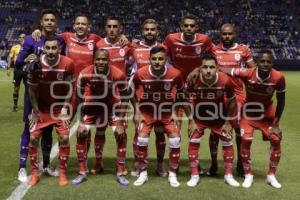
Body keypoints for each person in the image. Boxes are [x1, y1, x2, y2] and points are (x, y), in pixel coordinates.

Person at [221, 50, 286, 188]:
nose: (265, 64)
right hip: (248, 113)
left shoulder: (278, 77)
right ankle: (248, 174)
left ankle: (271, 175)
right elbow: (228, 70)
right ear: (256, 63)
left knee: (275, 139)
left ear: (272, 63)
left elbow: (281, 101)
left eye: (268, 61)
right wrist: (205, 68)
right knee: (246, 139)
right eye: (262, 61)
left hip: (267, 114)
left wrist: (275, 123)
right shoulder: (248, 73)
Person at [15, 9, 65, 183]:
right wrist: (30, 60)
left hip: (52, 94)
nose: (50, 22)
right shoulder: (31, 39)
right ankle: (22, 167)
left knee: (49, 129)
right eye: (47, 20)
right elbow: (19, 62)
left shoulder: (60, 41)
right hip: (34, 93)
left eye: (52, 20)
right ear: (41, 23)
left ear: (56, 23)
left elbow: (62, 60)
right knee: (30, 128)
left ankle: (46, 165)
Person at [72, 49, 129, 186]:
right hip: (93, 105)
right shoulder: (85, 73)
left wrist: (120, 122)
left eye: (104, 59)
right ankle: (83, 172)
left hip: (112, 106)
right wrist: (80, 121)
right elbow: (79, 97)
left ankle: (120, 172)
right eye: (98, 59)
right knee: (81, 134)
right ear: (94, 60)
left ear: (109, 61)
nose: (101, 62)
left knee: (120, 135)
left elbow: (125, 97)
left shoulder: (118, 74)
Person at [207, 23, 256, 176]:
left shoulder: (243, 50)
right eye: (224, 34)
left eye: (229, 34)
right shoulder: (214, 50)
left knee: (238, 131)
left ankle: (241, 165)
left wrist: (234, 71)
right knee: (215, 131)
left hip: (237, 95)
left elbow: (252, 71)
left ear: (234, 34)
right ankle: (214, 165)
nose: (226, 36)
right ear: (219, 34)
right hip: (217, 95)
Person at [184, 54, 240, 187]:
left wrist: (227, 122)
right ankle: (194, 175)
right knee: (193, 139)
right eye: (205, 67)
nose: (208, 70)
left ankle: (228, 175)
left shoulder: (225, 80)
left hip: (219, 118)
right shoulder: (194, 80)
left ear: (217, 69)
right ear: (200, 68)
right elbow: (185, 100)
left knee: (228, 140)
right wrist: (191, 121)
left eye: (211, 67)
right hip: (200, 117)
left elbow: (232, 101)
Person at [131, 46, 183, 187]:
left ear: (165, 59)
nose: (157, 61)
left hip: (166, 112)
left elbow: (181, 92)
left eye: (160, 58)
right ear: (149, 60)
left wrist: (175, 111)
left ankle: (172, 174)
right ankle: (143, 173)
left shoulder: (175, 74)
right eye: (154, 59)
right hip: (147, 112)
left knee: (175, 140)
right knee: (141, 138)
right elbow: (131, 92)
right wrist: (136, 111)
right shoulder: (141, 73)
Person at [27, 37, 74, 186]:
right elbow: (32, 90)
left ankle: (63, 174)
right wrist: (35, 111)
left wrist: (66, 108)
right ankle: (35, 174)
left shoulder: (68, 63)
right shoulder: (36, 64)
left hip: (60, 109)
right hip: (41, 109)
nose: (51, 51)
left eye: (54, 48)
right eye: (48, 48)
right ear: (44, 49)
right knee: (33, 139)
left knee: (65, 138)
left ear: (59, 49)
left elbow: (70, 88)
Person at [94, 17, 132, 175]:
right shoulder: (98, 45)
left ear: (120, 28)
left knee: (120, 131)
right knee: (100, 129)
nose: (112, 29)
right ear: (105, 28)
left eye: (115, 26)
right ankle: (98, 163)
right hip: (101, 95)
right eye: (109, 26)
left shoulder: (126, 45)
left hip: (119, 96)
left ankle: (121, 165)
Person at [130, 19, 167, 177]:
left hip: (160, 101)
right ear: (142, 30)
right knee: (139, 133)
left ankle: (159, 165)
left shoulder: (165, 48)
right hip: (141, 100)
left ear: (157, 31)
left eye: (153, 29)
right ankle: (138, 164)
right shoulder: (134, 48)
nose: (149, 32)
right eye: (147, 29)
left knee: (160, 132)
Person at [6, 32, 26, 112]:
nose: (22, 39)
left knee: (28, 88)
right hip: (17, 70)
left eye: (24, 37)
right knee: (16, 88)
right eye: (20, 37)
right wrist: (8, 68)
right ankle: (15, 105)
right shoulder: (14, 47)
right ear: (18, 39)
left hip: (26, 70)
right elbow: (10, 57)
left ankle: (28, 105)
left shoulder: (28, 47)